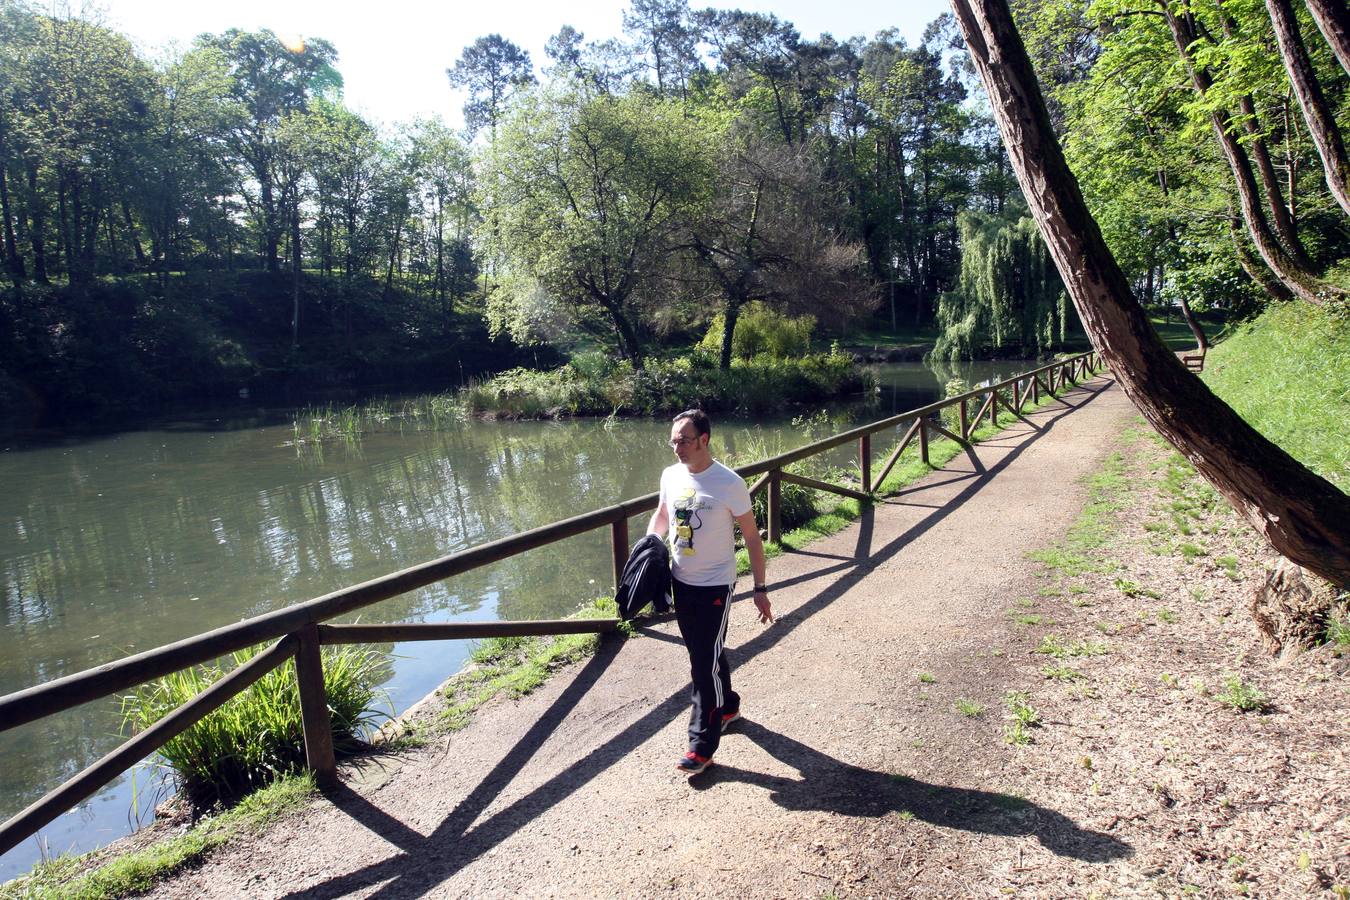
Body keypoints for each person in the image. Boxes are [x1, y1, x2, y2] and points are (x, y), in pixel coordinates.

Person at [647, 408, 772, 776]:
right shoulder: (671, 475)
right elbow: (662, 515)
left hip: (717, 585)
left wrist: (760, 588)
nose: (677, 448)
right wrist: (651, 544)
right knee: (705, 652)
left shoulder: (729, 483)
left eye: (684, 440)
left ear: (704, 439)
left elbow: (752, 537)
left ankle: (701, 745)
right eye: (673, 441)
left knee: (702, 665)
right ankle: (728, 705)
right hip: (680, 580)